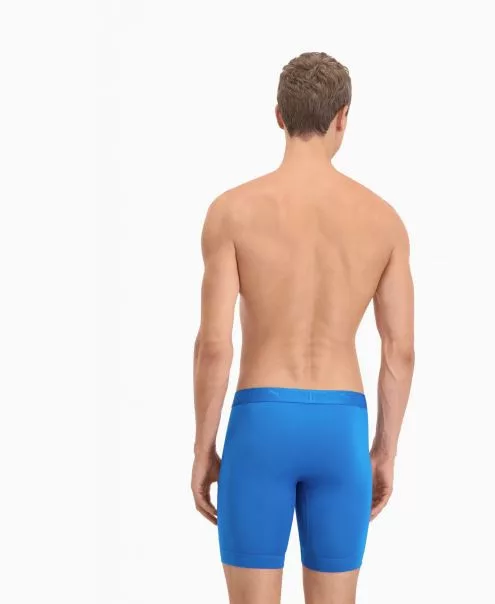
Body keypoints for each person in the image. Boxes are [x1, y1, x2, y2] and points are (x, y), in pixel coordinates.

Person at [191, 51, 415, 604]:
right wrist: (384, 450)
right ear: (343, 117)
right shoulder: (383, 220)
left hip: (260, 425)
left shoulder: (232, 211)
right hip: (341, 430)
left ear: (279, 115)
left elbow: (215, 346)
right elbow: (399, 351)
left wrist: (203, 447)